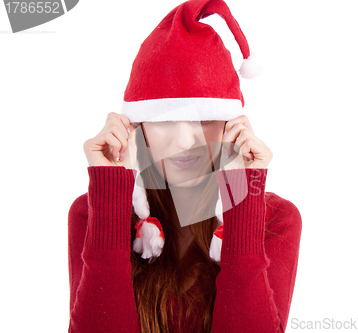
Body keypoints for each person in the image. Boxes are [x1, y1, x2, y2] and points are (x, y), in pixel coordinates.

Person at [67, 0, 302, 332]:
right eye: (164, 119)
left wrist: (243, 194)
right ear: (137, 127)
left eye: (204, 118)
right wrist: (109, 189)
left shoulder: (274, 218)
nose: (183, 141)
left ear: (232, 126)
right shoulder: (93, 213)